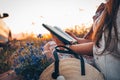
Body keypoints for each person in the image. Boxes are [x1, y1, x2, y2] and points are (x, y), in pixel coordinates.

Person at [50, 0, 120, 80]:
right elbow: (98, 42)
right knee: (50, 46)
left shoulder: (117, 9)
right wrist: (76, 39)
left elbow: (102, 47)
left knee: (52, 51)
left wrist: (68, 47)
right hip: (100, 65)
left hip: (110, 73)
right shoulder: (109, 7)